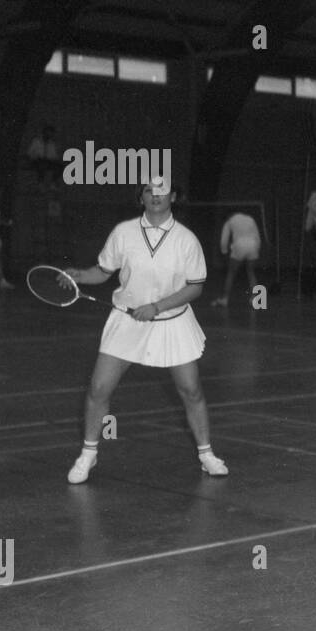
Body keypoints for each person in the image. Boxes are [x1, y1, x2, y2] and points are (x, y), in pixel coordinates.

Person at [62, 176, 228, 483]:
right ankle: (88, 455)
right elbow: (102, 271)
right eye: (149, 191)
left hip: (172, 322)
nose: (155, 196)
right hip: (127, 320)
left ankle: (206, 454)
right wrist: (80, 275)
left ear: (174, 196)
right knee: (99, 388)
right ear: (141, 197)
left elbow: (195, 288)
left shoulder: (186, 239)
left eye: (162, 191)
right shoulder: (123, 233)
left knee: (191, 390)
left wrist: (157, 307)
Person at [213, 210, 261, 308]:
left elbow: (224, 239)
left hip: (239, 246)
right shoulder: (250, 219)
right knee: (251, 272)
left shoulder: (229, 221)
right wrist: (257, 249)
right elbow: (257, 236)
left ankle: (225, 299)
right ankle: (255, 300)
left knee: (231, 273)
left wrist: (224, 252)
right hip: (253, 245)